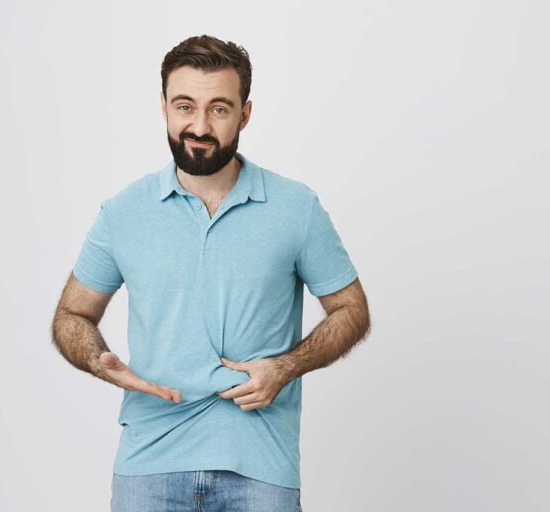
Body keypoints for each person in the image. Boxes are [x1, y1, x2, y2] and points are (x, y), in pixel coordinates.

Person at [51, 34, 371, 512]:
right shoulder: (123, 212)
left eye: (218, 109)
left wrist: (285, 368)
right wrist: (98, 359)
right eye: (185, 106)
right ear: (163, 107)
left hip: (260, 466)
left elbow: (352, 309)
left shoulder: (295, 207)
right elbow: (72, 315)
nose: (199, 126)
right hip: (148, 463)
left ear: (244, 114)